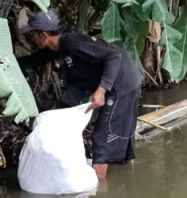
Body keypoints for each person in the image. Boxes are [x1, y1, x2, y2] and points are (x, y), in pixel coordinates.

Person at [17, 10, 141, 180]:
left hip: (121, 85)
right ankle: (130, 176)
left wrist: (102, 89)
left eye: (33, 34)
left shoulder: (72, 43)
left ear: (44, 35)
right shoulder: (56, 49)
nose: (31, 38)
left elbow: (114, 55)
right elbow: (33, 60)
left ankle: (99, 186)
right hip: (127, 81)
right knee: (122, 133)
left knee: (102, 137)